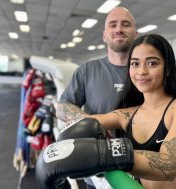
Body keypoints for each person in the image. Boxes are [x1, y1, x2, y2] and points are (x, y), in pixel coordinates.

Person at [87, 34, 176, 189]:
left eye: (152, 63)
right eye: (135, 64)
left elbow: (168, 166)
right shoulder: (126, 115)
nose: (141, 71)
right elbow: (84, 123)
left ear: (167, 68)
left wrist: (106, 154)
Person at [56, 6, 138, 189]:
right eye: (113, 25)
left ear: (135, 34)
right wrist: (91, 125)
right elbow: (63, 106)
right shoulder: (87, 70)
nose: (119, 29)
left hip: (140, 168)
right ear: (104, 35)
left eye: (126, 24)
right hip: (98, 170)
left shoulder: (144, 72)